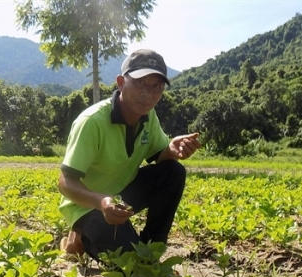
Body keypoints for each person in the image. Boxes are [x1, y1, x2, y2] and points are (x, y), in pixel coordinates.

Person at [58, 49, 201, 262]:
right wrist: (101, 202)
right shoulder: (92, 122)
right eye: (140, 83)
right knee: (129, 264)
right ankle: (79, 235)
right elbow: (65, 182)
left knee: (173, 171)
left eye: (156, 87)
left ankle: (152, 248)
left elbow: (160, 156)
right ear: (121, 82)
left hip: (120, 197)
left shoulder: (148, 116)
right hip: (88, 205)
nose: (148, 94)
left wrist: (171, 150)